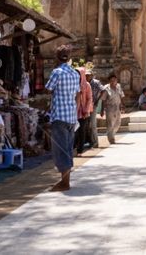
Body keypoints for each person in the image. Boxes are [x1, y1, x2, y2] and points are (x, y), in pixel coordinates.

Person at [45, 44, 81, 191]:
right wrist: (75, 110)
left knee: (60, 150)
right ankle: (65, 180)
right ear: (69, 58)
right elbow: (78, 94)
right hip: (71, 116)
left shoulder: (57, 72)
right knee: (67, 148)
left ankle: (64, 182)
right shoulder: (75, 73)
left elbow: (48, 89)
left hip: (59, 116)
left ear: (57, 58)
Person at [75, 67, 95, 155]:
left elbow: (89, 98)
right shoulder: (73, 84)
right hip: (73, 111)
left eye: (78, 74)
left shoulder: (87, 85)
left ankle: (80, 150)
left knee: (81, 131)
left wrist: (86, 110)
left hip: (83, 112)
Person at [99, 74, 124, 144]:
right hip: (110, 107)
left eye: (114, 80)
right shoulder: (106, 88)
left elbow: (121, 96)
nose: (113, 82)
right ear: (109, 81)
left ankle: (112, 134)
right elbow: (103, 100)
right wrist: (102, 110)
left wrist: (122, 105)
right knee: (110, 124)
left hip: (117, 107)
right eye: (111, 81)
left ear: (117, 80)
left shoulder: (118, 86)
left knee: (118, 123)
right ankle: (111, 139)